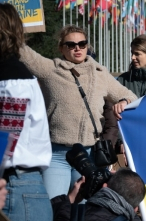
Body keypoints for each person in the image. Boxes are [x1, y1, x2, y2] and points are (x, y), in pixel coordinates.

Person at [18, 25, 137, 199]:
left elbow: (130, 96)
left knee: (83, 213)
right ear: (61, 48)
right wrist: (8, 27)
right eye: (71, 44)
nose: (77, 48)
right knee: (56, 207)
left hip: (90, 155)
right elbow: (24, 54)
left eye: (82, 44)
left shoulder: (100, 73)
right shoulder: (50, 69)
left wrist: (124, 101)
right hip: (57, 155)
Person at [0, 3, 52, 221]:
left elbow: (5, 139)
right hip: (23, 191)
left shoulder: (11, 78)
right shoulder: (17, 76)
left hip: (14, 193)